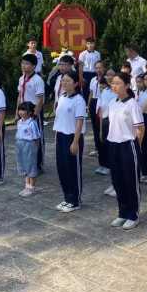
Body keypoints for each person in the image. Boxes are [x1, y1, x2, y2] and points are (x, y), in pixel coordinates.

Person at [107, 72, 144, 229]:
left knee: (130, 181)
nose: (114, 86)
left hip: (128, 145)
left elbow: (140, 128)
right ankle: (122, 212)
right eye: (113, 83)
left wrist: (137, 146)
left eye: (118, 83)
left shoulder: (132, 104)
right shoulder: (112, 103)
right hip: (113, 144)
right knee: (117, 181)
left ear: (127, 86)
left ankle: (133, 214)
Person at [53, 70, 86, 212]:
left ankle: (75, 200)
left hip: (73, 137)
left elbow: (79, 121)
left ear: (76, 83)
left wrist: (75, 141)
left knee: (72, 168)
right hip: (60, 136)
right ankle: (67, 197)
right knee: (62, 168)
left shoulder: (79, 99)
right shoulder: (62, 97)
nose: (64, 83)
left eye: (68, 81)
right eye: (63, 81)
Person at [17, 53, 46, 171]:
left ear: (34, 66)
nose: (24, 66)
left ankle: (38, 164)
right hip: (23, 111)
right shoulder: (21, 78)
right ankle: (27, 163)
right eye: (23, 63)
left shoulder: (37, 80)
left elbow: (40, 99)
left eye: (27, 64)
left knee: (36, 138)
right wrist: (17, 113)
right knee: (24, 139)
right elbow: (19, 96)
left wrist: (35, 114)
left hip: (33, 111)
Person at [15, 100, 41, 196]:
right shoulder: (19, 122)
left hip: (29, 145)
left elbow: (36, 138)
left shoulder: (32, 123)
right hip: (20, 145)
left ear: (30, 112)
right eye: (20, 110)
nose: (21, 112)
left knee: (31, 166)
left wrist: (35, 149)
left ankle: (32, 187)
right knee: (24, 165)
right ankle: (27, 186)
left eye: (23, 110)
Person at [78, 37, 101, 101]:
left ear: (94, 44)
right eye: (88, 43)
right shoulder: (82, 54)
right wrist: (81, 77)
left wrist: (99, 75)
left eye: (92, 43)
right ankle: (86, 106)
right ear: (86, 44)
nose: (90, 45)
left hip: (95, 74)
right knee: (86, 91)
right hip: (86, 74)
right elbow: (80, 66)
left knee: (94, 90)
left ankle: (93, 104)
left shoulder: (98, 54)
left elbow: (99, 65)